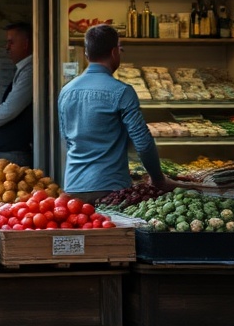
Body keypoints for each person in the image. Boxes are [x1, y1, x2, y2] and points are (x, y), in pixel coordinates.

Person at [58, 24, 185, 205]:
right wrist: (158, 179)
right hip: (111, 189)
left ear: (87, 55)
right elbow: (143, 142)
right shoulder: (122, 92)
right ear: (114, 52)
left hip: (74, 187)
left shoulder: (66, 91)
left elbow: (67, 139)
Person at [0, 22, 34, 168]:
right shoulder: (23, 69)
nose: (7, 47)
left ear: (26, 44)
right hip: (1, 150)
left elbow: (12, 106)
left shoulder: (31, 71)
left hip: (12, 152)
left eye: (11, 42)